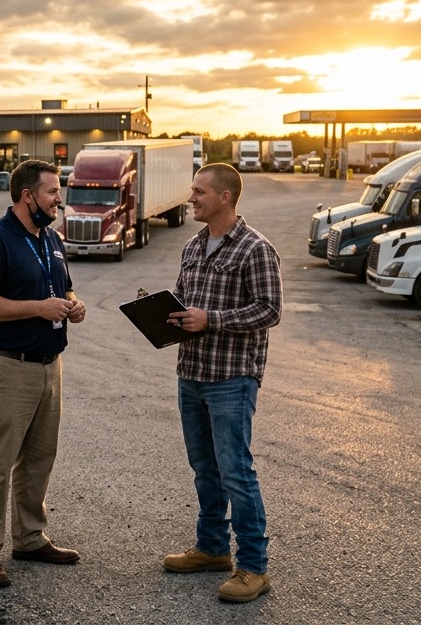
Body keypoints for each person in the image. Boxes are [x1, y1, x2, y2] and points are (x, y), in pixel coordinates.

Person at [0, 159, 86, 588]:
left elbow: (63, 286)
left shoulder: (51, 238)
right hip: (6, 366)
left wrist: (73, 303)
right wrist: (38, 308)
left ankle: (30, 538)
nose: (59, 200)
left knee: (39, 459)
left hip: (50, 365)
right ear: (27, 195)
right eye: (52, 192)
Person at [162, 163, 282, 603]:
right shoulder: (194, 245)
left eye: (199, 191)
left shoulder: (255, 248)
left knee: (236, 472)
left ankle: (253, 567)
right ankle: (212, 548)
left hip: (231, 378)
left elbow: (269, 310)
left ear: (225, 197)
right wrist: (166, 314)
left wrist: (210, 320)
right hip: (191, 373)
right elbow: (185, 300)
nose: (191, 198)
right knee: (204, 469)